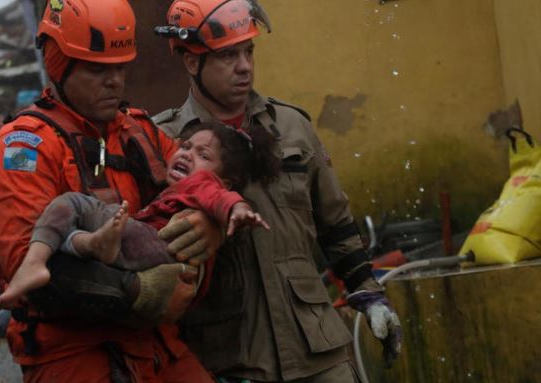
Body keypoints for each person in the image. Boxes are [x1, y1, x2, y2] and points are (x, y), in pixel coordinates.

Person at [153, 1, 403, 381]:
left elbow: (336, 225)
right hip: (227, 357)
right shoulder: (163, 141)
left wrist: (369, 295)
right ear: (191, 62)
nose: (244, 66)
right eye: (228, 55)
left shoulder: (291, 126)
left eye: (249, 51)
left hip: (317, 347)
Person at [0, 0, 223, 381]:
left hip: (156, 342)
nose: (115, 82)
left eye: (120, 68)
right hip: (72, 350)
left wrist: (209, 224)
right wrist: (138, 291)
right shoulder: (23, 148)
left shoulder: (138, 131)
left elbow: (205, 186)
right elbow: (29, 265)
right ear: (60, 64)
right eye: (97, 69)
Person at [0, 121, 277, 311]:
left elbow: (220, 195)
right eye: (186, 146)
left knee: (71, 207)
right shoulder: (26, 139)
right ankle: (92, 244)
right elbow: (16, 229)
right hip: (82, 334)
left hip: (149, 260)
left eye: (202, 154)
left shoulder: (139, 129)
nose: (112, 80)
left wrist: (227, 216)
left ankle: (45, 260)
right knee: (69, 237)